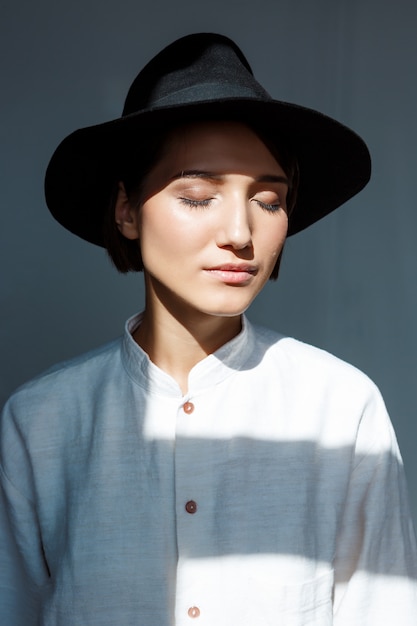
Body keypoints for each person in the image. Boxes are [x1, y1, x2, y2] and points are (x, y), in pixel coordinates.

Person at [1, 32, 416, 626]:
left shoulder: (342, 409)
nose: (241, 234)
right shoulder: (40, 424)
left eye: (269, 200)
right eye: (197, 196)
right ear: (126, 210)